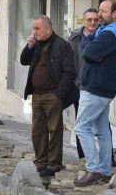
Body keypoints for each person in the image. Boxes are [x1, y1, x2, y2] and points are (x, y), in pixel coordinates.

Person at [73, 0, 116, 187]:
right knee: (102, 129)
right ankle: (105, 171)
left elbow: (88, 53)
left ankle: (94, 169)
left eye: (104, 11)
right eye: (100, 10)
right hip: (103, 87)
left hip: (96, 87)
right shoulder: (110, 32)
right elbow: (92, 53)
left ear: (115, 14)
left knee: (82, 127)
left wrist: (89, 39)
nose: (99, 15)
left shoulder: (109, 34)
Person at [20, 16, 78, 177]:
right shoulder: (36, 44)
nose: (34, 32)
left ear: (47, 29)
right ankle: (40, 161)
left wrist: (60, 94)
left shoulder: (61, 45)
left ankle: (53, 164)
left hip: (53, 94)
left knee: (54, 130)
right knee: (37, 130)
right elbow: (23, 61)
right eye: (33, 29)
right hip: (37, 94)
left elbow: (70, 72)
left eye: (37, 29)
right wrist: (29, 46)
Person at [68, 8, 99, 159]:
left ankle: (108, 158)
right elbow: (69, 62)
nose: (93, 23)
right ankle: (83, 158)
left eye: (96, 19)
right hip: (80, 87)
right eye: (89, 20)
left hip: (99, 88)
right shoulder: (74, 38)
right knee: (81, 124)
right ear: (84, 21)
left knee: (102, 124)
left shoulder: (104, 37)